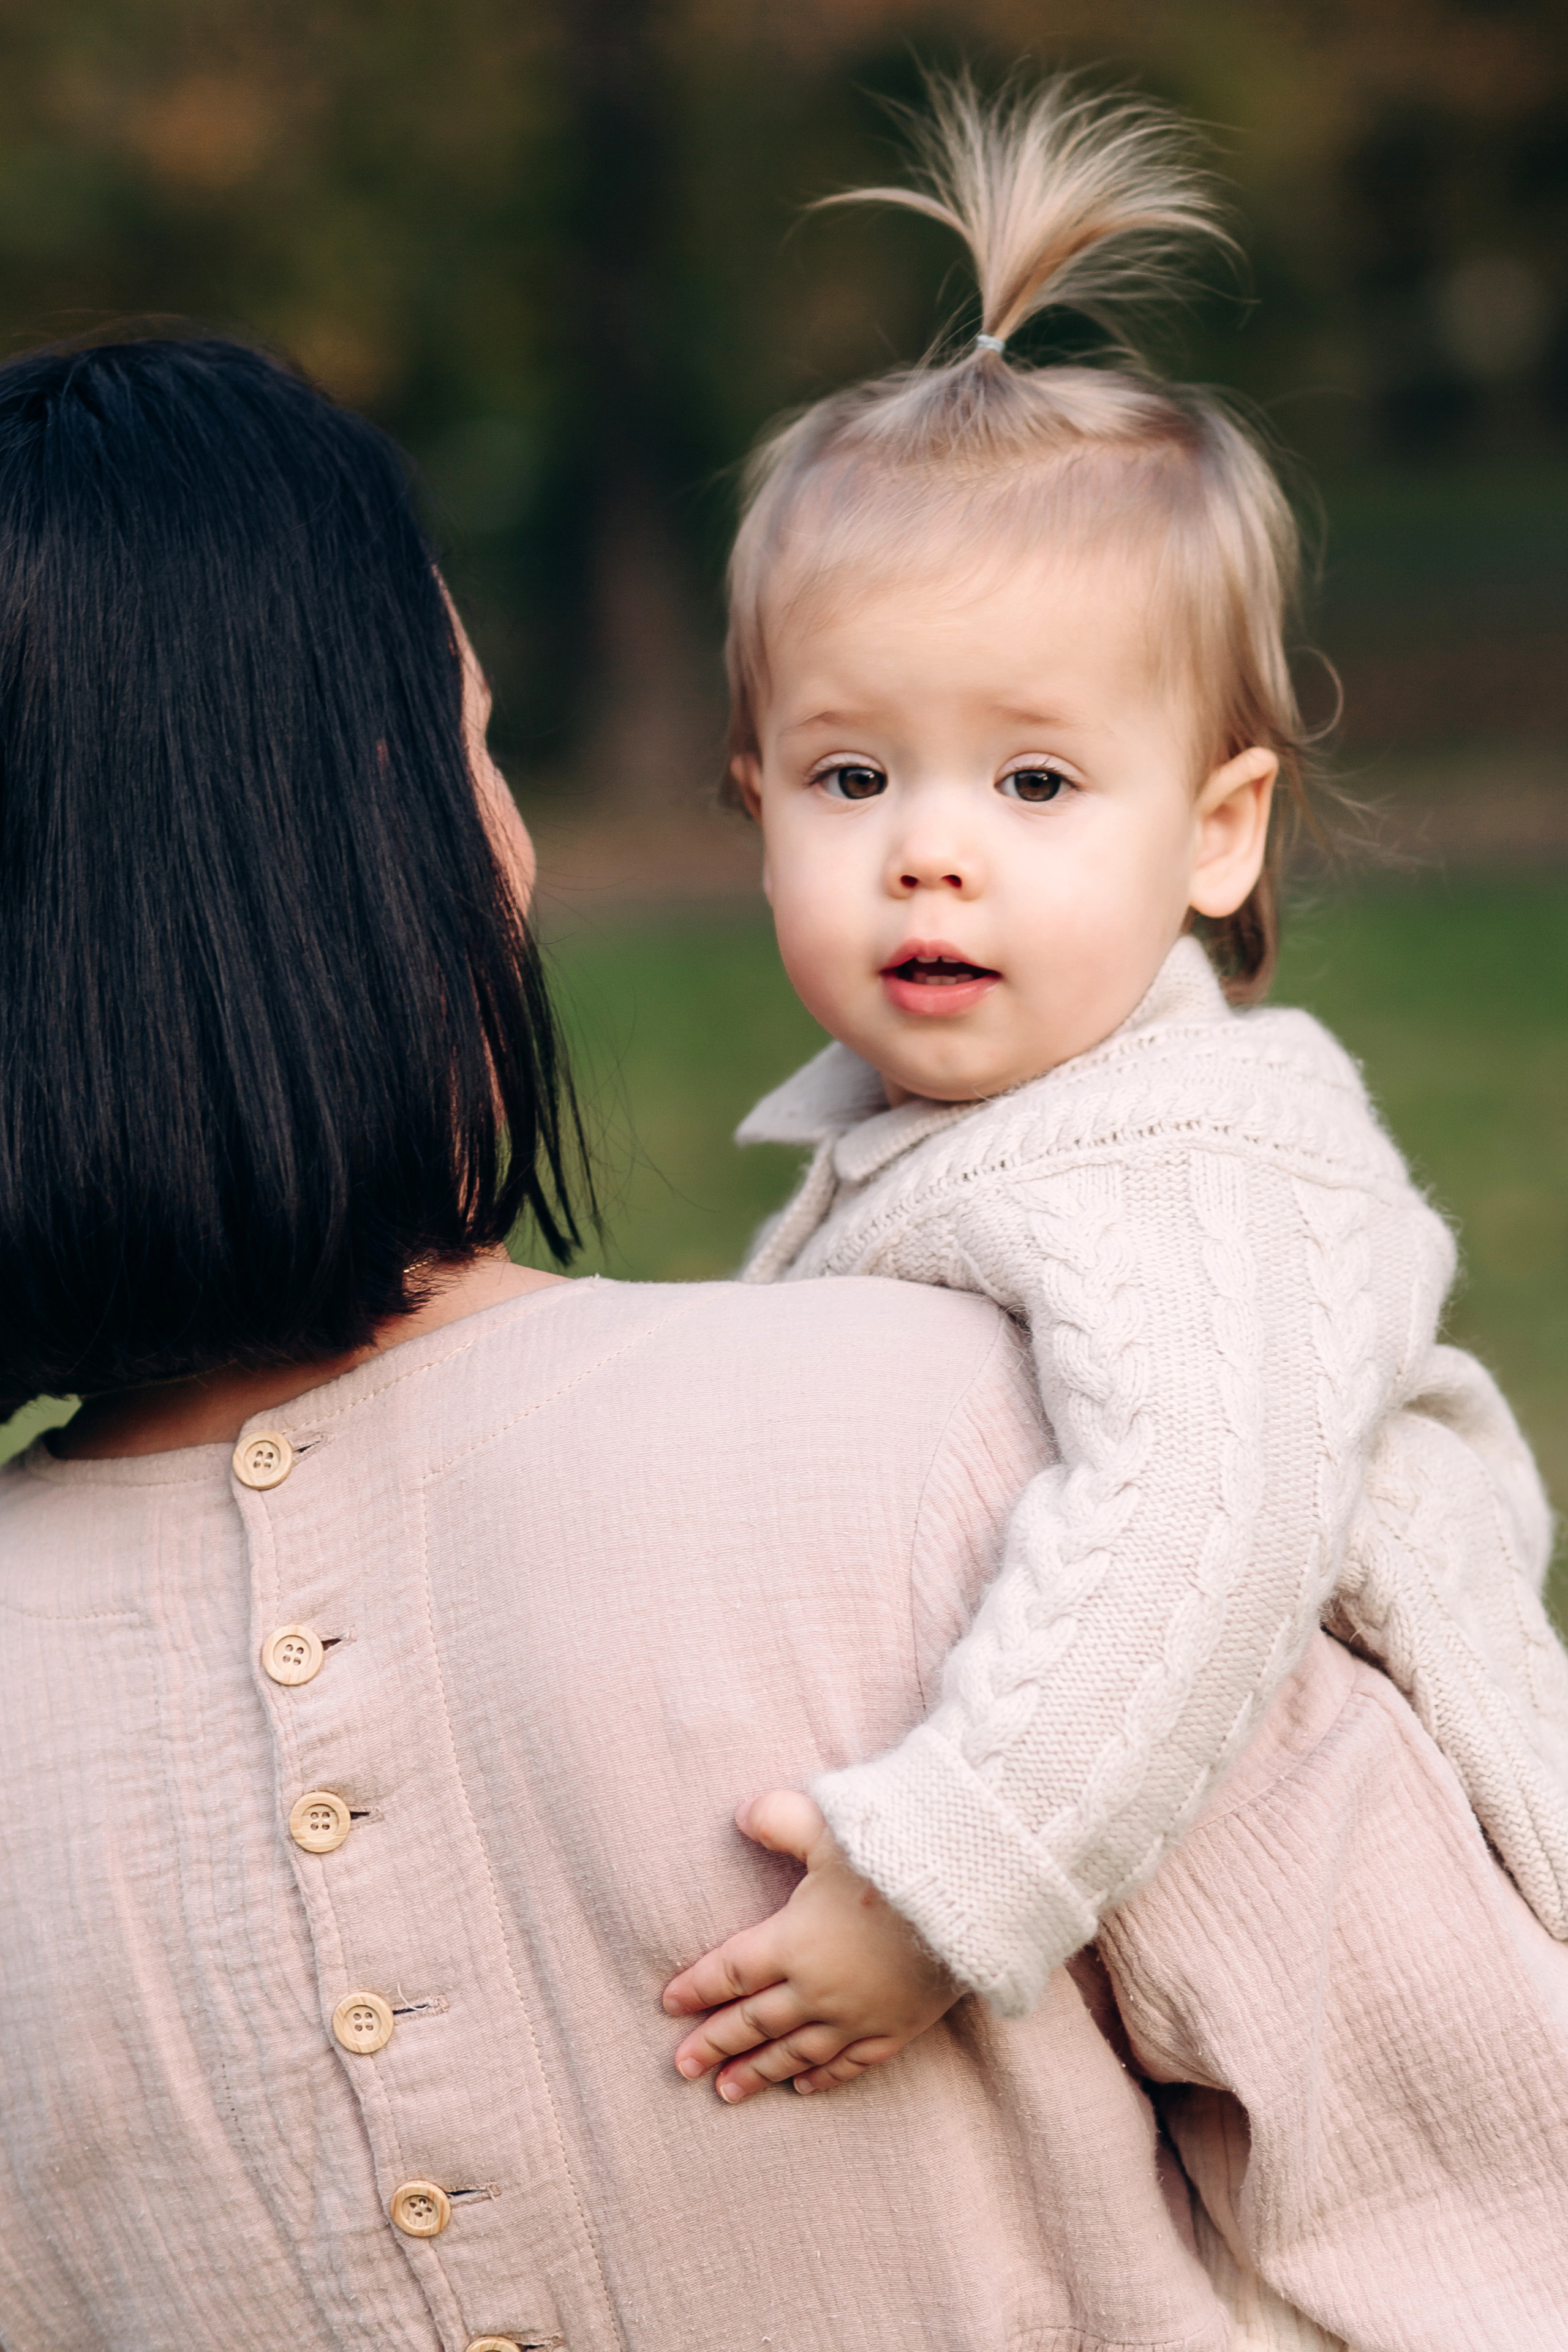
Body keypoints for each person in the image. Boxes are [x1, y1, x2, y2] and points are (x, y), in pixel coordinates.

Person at [660, 72, 1568, 2103]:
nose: (932, 849)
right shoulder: (948, 1143)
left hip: (1427, 1974)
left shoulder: (1184, 1158)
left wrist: (938, 1885)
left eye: (1039, 780)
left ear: (1221, 832)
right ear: (757, 805)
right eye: (851, 776)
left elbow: (1202, 1513)